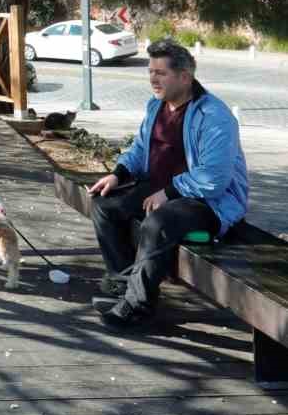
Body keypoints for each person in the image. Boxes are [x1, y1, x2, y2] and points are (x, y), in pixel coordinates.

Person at [88, 38, 248, 330]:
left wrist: (169, 192)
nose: (152, 79)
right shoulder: (156, 106)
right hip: (161, 189)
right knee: (104, 205)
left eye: (161, 73)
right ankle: (124, 286)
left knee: (156, 224)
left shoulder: (214, 116)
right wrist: (118, 174)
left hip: (207, 202)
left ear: (185, 77)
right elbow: (139, 149)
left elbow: (214, 178)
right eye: (150, 71)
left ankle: (139, 307)